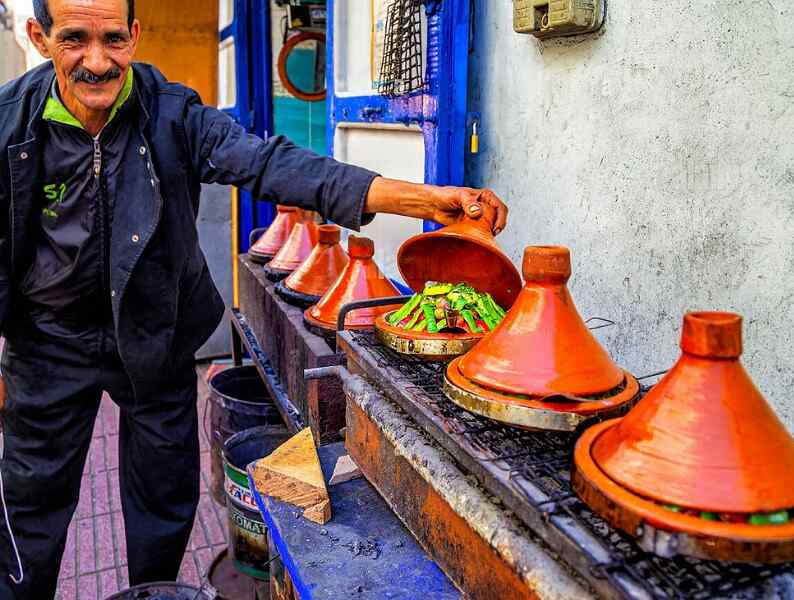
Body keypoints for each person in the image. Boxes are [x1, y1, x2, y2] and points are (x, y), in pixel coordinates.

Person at [0, 0, 509, 598]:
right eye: (74, 39)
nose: (96, 61)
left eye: (112, 39)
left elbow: (270, 165)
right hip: (48, 343)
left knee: (163, 500)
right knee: (29, 508)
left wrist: (423, 200)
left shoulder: (172, 113)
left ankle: (155, 594)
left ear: (134, 36)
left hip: (156, 332)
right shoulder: (11, 123)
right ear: (39, 37)